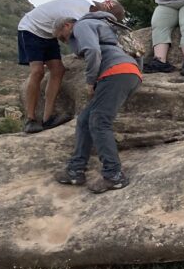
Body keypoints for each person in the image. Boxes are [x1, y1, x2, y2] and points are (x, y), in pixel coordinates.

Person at [52, 12, 141, 193]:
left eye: (62, 37)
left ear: (67, 25)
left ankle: (114, 176)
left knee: (99, 122)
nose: (65, 42)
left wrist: (90, 81)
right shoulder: (105, 28)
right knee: (85, 120)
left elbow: (92, 51)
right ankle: (75, 170)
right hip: (128, 72)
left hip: (116, 73)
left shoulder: (82, 26)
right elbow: (137, 52)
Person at [17, 0, 124, 133]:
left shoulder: (86, 12)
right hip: (31, 28)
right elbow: (77, 38)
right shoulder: (79, 16)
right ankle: (30, 119)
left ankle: (47, 118)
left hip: (50, 33)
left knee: (58, 70)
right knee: (37, 71)